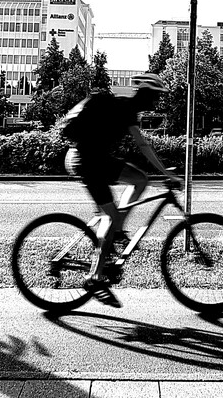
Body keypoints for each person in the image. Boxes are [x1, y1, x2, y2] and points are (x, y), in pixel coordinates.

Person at [63, 72, 181, 308]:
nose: (157, 102)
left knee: (140, 179)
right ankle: (95, 277)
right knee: (112, 217)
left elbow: (140, 146)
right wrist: (167, 174)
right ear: (146, 94)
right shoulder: (125, 108)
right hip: (86, 161)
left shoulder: (127, 108)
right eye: (156, 96)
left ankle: (115, 230)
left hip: (97, 159)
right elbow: (143, 145)